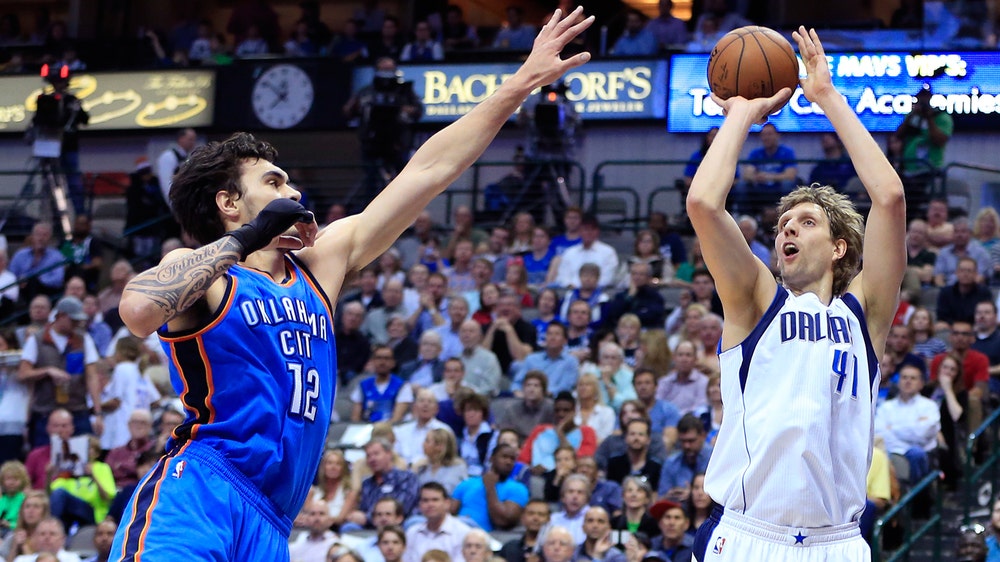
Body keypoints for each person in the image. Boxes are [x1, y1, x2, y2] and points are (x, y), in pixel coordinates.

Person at [109, 10, 592, 559]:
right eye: (273, 182)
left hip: (272, 519)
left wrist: (521, 83)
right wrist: (247, 238)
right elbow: (138, 311)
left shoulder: (318, 265)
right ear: (229, 202)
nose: (293, 192)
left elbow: (428, 171)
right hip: (200, 492)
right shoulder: (207, 274)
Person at [686, 26, 906, 561]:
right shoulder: (757, 299)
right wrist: (741, 113)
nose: (788, 229)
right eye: (784, 224)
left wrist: (826, 96)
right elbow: (704, 204)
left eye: (806, 222)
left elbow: (890, 197)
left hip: (838, 543)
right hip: (747, 535)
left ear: (838, 247)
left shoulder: (865, 313)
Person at [18, 296, 103, 446]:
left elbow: (92, 376)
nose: (77, 324)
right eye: (73, 320)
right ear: (61, 316)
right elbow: (23, 374)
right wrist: (47, 371)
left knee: (83, 454)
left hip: (77, 409)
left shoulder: (83, 339)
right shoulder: (37, 339)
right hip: (45, 412)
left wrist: (98, 412)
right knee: (43, 455)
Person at [452, 442, 529, 532]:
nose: (508, 462)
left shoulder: (518, 489)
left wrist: (490, 488)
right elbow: (449, 513)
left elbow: (502, 521)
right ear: (492, 458)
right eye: (504, 457)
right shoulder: (468, 483)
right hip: (458, 528)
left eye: (512, 459)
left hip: (486, 535)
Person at [404, 483, 470, 562]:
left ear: (447, 503)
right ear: (420, 505)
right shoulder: (412, 533)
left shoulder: (463, 533)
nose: (430, 504)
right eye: (425, 500)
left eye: (435, 500)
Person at [156, 128, 197, 206]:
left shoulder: (188, 157)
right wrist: (174, 206)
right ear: (181, 139)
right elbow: (166, 183)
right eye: (190, 139)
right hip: (172, 204)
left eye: (194, 140)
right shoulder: (168, 156)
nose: (193, 142)